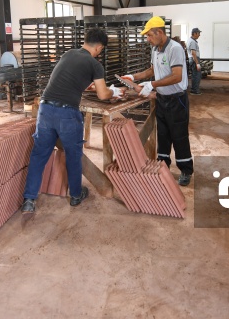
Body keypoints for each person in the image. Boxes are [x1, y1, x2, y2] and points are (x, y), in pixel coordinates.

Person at [21, 28, 124, 213]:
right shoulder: (95, 64)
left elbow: (69, 79)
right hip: (67, 114)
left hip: (45, 109)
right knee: (73, 156)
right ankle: (76, 195)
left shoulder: (68, 54)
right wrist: (113, 91)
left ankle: (29, 200)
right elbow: (102, 94)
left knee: (38, 156)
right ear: (99, 47)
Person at [122, 16, 194, 186]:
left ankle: (185, 170)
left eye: (149, 36)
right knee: (163, 135)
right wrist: (133, 76)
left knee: (179, 136)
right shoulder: (155, 49)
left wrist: (152, 84)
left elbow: (176, 76)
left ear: (160, 32)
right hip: (161, 99)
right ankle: (164, 165)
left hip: (177, 99)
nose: (147, 39)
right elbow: (153, 70)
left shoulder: (174, 49)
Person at [187, 28, 202, 95]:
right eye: (198, 33)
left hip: (192, 59)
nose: (199, 35)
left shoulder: (191, 40)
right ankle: (195, 90)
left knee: (195, 75)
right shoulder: (192, 42)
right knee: (196, 75)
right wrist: (197, 63)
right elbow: (193, 53)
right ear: (195, 33)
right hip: (194, 59)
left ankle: (194, 89)